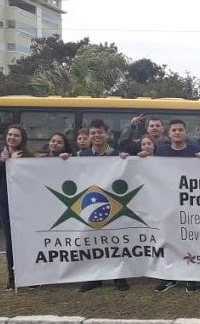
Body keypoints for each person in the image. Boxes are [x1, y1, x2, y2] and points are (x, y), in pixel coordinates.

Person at [74, 120, 130, 292]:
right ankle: (94, 277)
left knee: (115, 240)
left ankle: (119, 277)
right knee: (91, 242)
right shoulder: (80, 156)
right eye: (93, 133)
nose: (96, 136)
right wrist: (65, 161)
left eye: (100, 132)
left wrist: (127, 161)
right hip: (89, 203)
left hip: (112, 203)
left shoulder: (118, 156)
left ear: (108, 134)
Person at [152, 119, 200, 293]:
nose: (177, 132)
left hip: (189, 203)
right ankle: (170, 276)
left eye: (180, 130)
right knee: (168, 239)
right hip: (167, 202)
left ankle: (192, 276)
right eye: (174, 130)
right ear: (169, 133)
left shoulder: (195, 151)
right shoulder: (161, 151)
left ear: (186, 132)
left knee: (189, 240)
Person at [0, 125, 34, 290]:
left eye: (16, 135)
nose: (12, 138)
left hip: (25, 205)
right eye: (10, 135)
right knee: (10, 242)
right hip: (5, 204)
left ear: (22, 139)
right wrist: (3, 162)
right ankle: (12, 277)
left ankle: (31, 275)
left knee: (28, 240)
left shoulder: (28, 156)